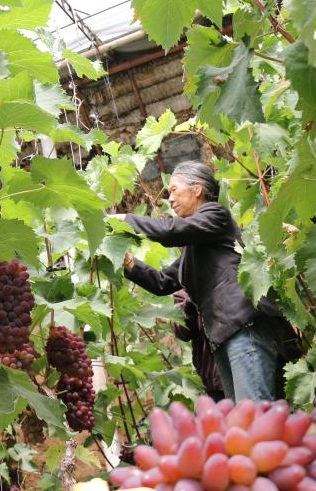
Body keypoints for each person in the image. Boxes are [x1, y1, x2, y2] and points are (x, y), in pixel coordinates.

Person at [107, 161, 295, 402]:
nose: (170, 199)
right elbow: (163, 282)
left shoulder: (216, 215)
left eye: (174, 190)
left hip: (244, 327)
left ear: (197, 189)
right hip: (224, 337)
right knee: (244, 418)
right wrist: (129, 264)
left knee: (254, 412)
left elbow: (170, 231)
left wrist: (124, 219)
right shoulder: (195, 244)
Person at [172, 289, 225, 401]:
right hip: (213, 374)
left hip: (242, 359)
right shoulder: (182, 290)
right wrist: (189, 306)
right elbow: (181, 332)